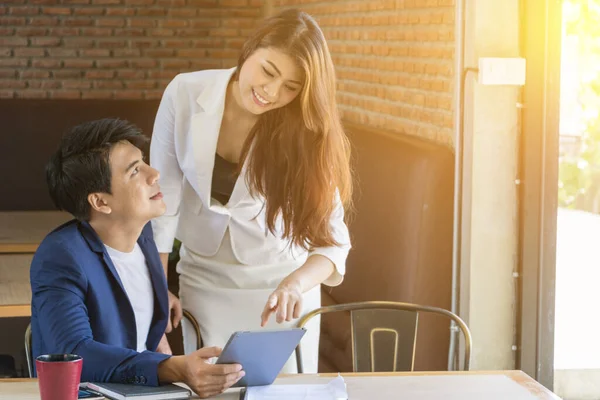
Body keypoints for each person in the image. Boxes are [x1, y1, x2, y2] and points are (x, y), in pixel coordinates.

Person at [150, 8, 352, 373]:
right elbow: (162, 202)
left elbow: (333, 243)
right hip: (205, 279)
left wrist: (294, 284)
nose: (271, 92)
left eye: (291, 87)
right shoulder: (184, 93)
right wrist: (157, 286)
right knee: (211, 388)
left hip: (282, 294)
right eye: (268, 71)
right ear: (251, 49)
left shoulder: (305, 132)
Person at [30, 118, 244, 398]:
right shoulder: (60, 256)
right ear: (101, 202)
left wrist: (158, 304)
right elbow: (74, 354)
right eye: (134, 172)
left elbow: (134, 320)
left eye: (144, 162)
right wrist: (173, 368)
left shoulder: (144, 238)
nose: (154, 173)